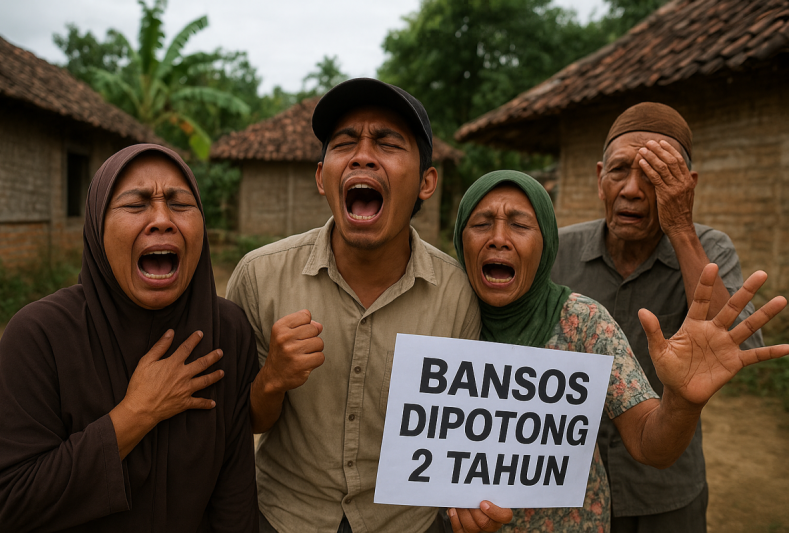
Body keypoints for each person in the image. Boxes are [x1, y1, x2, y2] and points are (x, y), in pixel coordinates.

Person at [227, 78, 512, 533]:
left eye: (387, 142)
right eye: (344, 143)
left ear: (426, 182)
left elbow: (458, 440)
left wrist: (471, 504)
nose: (362, 155)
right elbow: (237, 422)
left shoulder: (458, 294)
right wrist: (272, 379)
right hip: (283, 518)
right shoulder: (259, 276)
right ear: (322, 177)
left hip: (407, 523)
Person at [453, 170, 787, 532]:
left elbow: (650, 445)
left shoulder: (584, 323)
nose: (499, 239)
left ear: (547, 243)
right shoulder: (439, 319)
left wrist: (681, 400)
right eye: (482, 224)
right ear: (460, 239)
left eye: (520, 225)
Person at [0, 144, 259, 532]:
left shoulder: (226, 331)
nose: (162, 220)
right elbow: (9, 504)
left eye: (180, 204)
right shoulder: (38, 336)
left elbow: (234, 502)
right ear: (97, 227)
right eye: (137, 205)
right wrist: (137, 413)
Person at [550, 102, 763, 531]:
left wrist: (681, 228)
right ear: (598, 178)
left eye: (655, 176)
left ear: (687, 185)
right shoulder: (557, 251)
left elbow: (734, 350)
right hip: (565, 485)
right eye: (619, 171)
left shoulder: (708, 248)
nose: (632, 189)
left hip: (664, 490)